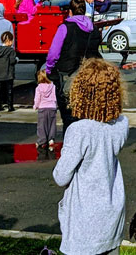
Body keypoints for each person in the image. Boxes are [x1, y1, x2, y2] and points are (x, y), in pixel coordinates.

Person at [52, 59, 130, 255]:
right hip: (112, 209)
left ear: (81, 92)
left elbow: (60, 176)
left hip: (84, 216)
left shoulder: (79, 130)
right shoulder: (121, 124)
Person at [44, 0, 102, 128]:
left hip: (68, 71)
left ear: (70, 11)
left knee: (69, 117)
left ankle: (71, 144)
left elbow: (53, 53)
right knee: (87, 114)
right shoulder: (93, 28)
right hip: (90, 72)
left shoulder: (65, 27)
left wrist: (49, 69)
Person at [0, 31, 18, 112]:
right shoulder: (11, 50)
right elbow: (12, 61)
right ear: (9, 41)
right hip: (8, 73)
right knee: (9, 90)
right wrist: (17, 60)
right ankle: (10, 106)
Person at [35, 70, 58, 150]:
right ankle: (51, 139)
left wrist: (36, 106)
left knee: (42, 125)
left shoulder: (38, 88)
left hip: (42, 108)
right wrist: (55, 105)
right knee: (52, 124)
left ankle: (42, 140)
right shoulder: (53, 86)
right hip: (52, 107)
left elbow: (37, 98)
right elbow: (55, 97)